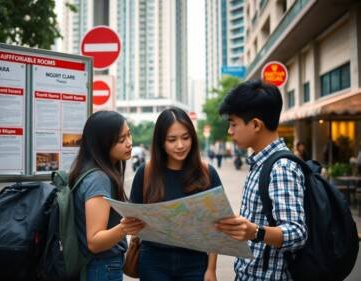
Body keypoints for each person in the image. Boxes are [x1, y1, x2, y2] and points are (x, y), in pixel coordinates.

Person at [215, 80, 307, 281]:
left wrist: (255, 231)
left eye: (233, 124)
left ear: (256, 124)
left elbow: (297, 232)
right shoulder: (260, 162)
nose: (230, 131)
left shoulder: (281, 167)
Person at [130, 106, 222, 281]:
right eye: (172, 140)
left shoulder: (207, 173)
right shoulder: (146, 172)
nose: (180, 145)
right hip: (153, 261)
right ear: (161, 143)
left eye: (185, 138)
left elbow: (216, 225)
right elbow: (134, 217)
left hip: (195, 262)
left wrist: (211, 269)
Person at [69, 111, 145, 281]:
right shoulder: (98, 178)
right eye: (121, 140)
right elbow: (95, 241)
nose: (129, 143)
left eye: (129, 134)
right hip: (102, 267)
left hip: (99, 267)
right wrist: (127, 227)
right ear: (102, 144)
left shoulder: (89, 170)